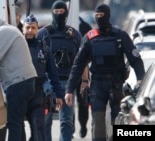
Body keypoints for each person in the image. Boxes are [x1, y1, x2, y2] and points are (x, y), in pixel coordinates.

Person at [65, 3, 145, 141]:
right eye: (96, 15)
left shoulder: (120, 35)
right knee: (98, 121)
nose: (98, 18)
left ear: (107, 15)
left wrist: (140, 79)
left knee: (117, 118)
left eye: (101, 15)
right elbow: (78, 65)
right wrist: (69, 89)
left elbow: (136, 60)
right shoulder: (90, 37)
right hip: (97, 84)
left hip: (116, 83)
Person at [0, 16, 38, 141]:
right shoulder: (9, 29)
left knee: (13, 123)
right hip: (26, 80)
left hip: (18, 82)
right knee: (18, 122)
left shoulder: (0, 33)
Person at [36, 1, 85, 141]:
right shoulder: (43, 33)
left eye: (61, 12)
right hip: (47, 82)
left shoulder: (74, 34)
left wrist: (85, 81)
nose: (58, 15)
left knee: (67, 120)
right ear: (52, 12)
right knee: (46, 120)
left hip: (67, 83)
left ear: (66, 13)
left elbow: (82, 60)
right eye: (55, 12)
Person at [21, 14, 63, 141]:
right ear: (22, 29)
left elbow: (53, 73)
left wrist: (59, 94)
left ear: (37, 29)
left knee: (39, 128)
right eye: (27, 28)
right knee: (18, 128)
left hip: (37, 93)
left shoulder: (44, 48)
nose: (30, 31)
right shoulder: (16, 46)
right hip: (19, 92)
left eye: (33, 28)